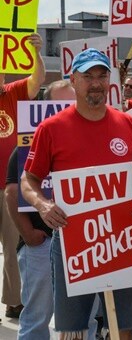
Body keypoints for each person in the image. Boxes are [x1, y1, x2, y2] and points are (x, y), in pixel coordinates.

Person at [20, 48, 132, 340]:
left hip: (121, 237)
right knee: (73, 329)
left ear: (110, 80)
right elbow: (28, 180)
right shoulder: (51, 128)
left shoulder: (127, 123)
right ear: (74, 81)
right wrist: (42, 205)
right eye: (88, 76)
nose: (96, 82)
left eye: (102, 75)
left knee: (123, 326)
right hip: (72, 239)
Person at [5, 80, 74, 339]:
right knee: (37, 317)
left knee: (82, 321)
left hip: (84, 244)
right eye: (60, 105)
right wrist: (29, 233)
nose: (67, 110)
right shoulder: (28, 144)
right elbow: (13, 192)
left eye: (72, 104)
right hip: (41, 243)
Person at [0, 32, 45, 320]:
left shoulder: (13, 93)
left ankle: (14, 300)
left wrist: (37, 53)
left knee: (11, 243)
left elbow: (37, 80)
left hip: (9, 184)